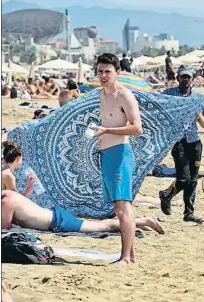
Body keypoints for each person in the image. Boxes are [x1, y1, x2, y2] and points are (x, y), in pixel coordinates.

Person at [92, 53, 143, 267]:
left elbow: (137, 127)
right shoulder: (102, 94)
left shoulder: (124, 95)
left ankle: (124, 257)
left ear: (117, 72)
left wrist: (107, 130)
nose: (103, 75)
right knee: (120, 207)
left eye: (108, 72)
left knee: (122, 208)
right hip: (107, 153)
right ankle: (130, 256)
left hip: (120, 152)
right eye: (100, 71)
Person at [159, 66, 204, 224]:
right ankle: (167, 195)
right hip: (178, 141)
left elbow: (198, 114)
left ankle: (189, 212)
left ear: (193, 79)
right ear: (178, 78)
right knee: (183, 179)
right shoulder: (169, 94)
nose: (185, 79)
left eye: (188, 77)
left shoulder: (196, 97)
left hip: (194, 141)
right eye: (183, 77)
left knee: (193, 179)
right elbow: (158, 109)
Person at [1, 189, 164, 234]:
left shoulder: (6, 201)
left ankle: (144, 221)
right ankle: (141, 222)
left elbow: (4, 226)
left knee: (103, 226)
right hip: (54, 215)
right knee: (100, 224)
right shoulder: (9, 195)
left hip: (57, 221)